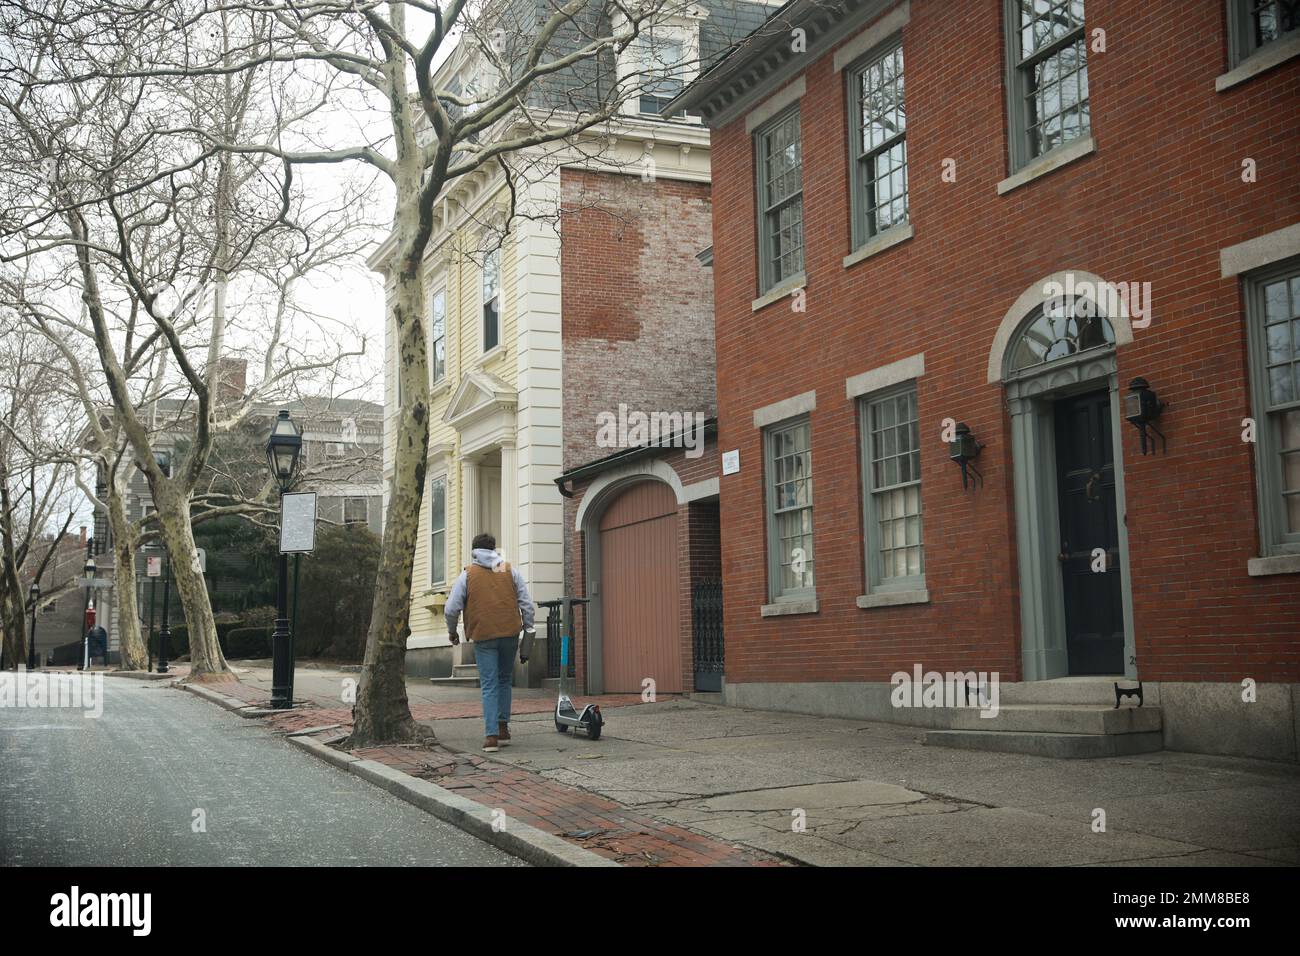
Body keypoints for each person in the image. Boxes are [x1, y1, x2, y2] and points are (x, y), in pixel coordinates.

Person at [444, 533, 535, 752]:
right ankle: (503, 728)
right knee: (504, 680)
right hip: (510, 633)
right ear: (494, 549)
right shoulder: (508, 570)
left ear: (474, 550)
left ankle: (491, 735)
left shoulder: (468, 574)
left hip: (483, 635)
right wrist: (527, 629)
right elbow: (527, 605)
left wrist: (452, 632)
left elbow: (451, 609)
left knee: (489, 684)